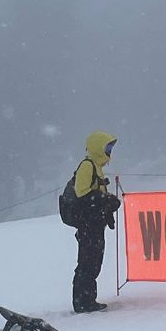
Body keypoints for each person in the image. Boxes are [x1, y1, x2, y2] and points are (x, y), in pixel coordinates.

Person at [71, 131, 120, 313]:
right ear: (98, 147)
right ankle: (82, 302)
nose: (109, 151)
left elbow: (94, 195)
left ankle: (88, 299)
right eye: (107, 147)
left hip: (95, 224)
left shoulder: (97, 168)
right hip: (87, 225)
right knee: (87, 262)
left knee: (94, 262)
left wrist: (108, 204)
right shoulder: (87, 166)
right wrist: (104, 199)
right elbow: (82, 192)